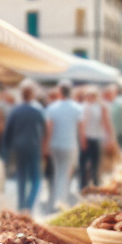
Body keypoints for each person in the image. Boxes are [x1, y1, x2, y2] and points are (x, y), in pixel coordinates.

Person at [1, 84, 47, 212]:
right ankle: (29, 205)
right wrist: (44, 148)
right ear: (32, 94)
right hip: (33, 146)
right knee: (36, 178)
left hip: (19, 146)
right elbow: (44, 131)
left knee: (21, 176)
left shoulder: (15, 111)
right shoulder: (38, 111)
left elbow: (7, 131)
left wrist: (6, 149)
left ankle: (21, 205)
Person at [43, 84, 83, 213]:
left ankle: (56, 200)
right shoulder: (77, 108)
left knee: (57, 173)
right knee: (65, 174)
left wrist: (46, 144)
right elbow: (80, 128)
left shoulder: (52, 108)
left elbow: (49, 128)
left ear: (59, 93)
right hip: (69, 144)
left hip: (55, 144)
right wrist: (82, 142)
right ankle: (61, 201)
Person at [77, 85, 112, 194]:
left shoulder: (98, 107)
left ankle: (92, 186)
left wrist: (109, 137)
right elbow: (82, 125)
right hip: (89, 137)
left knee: (94, 164)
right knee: (86, 164)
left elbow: (106, 123)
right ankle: (84, 187)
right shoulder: (85, 107)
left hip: (95, 137)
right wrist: (82, 139)